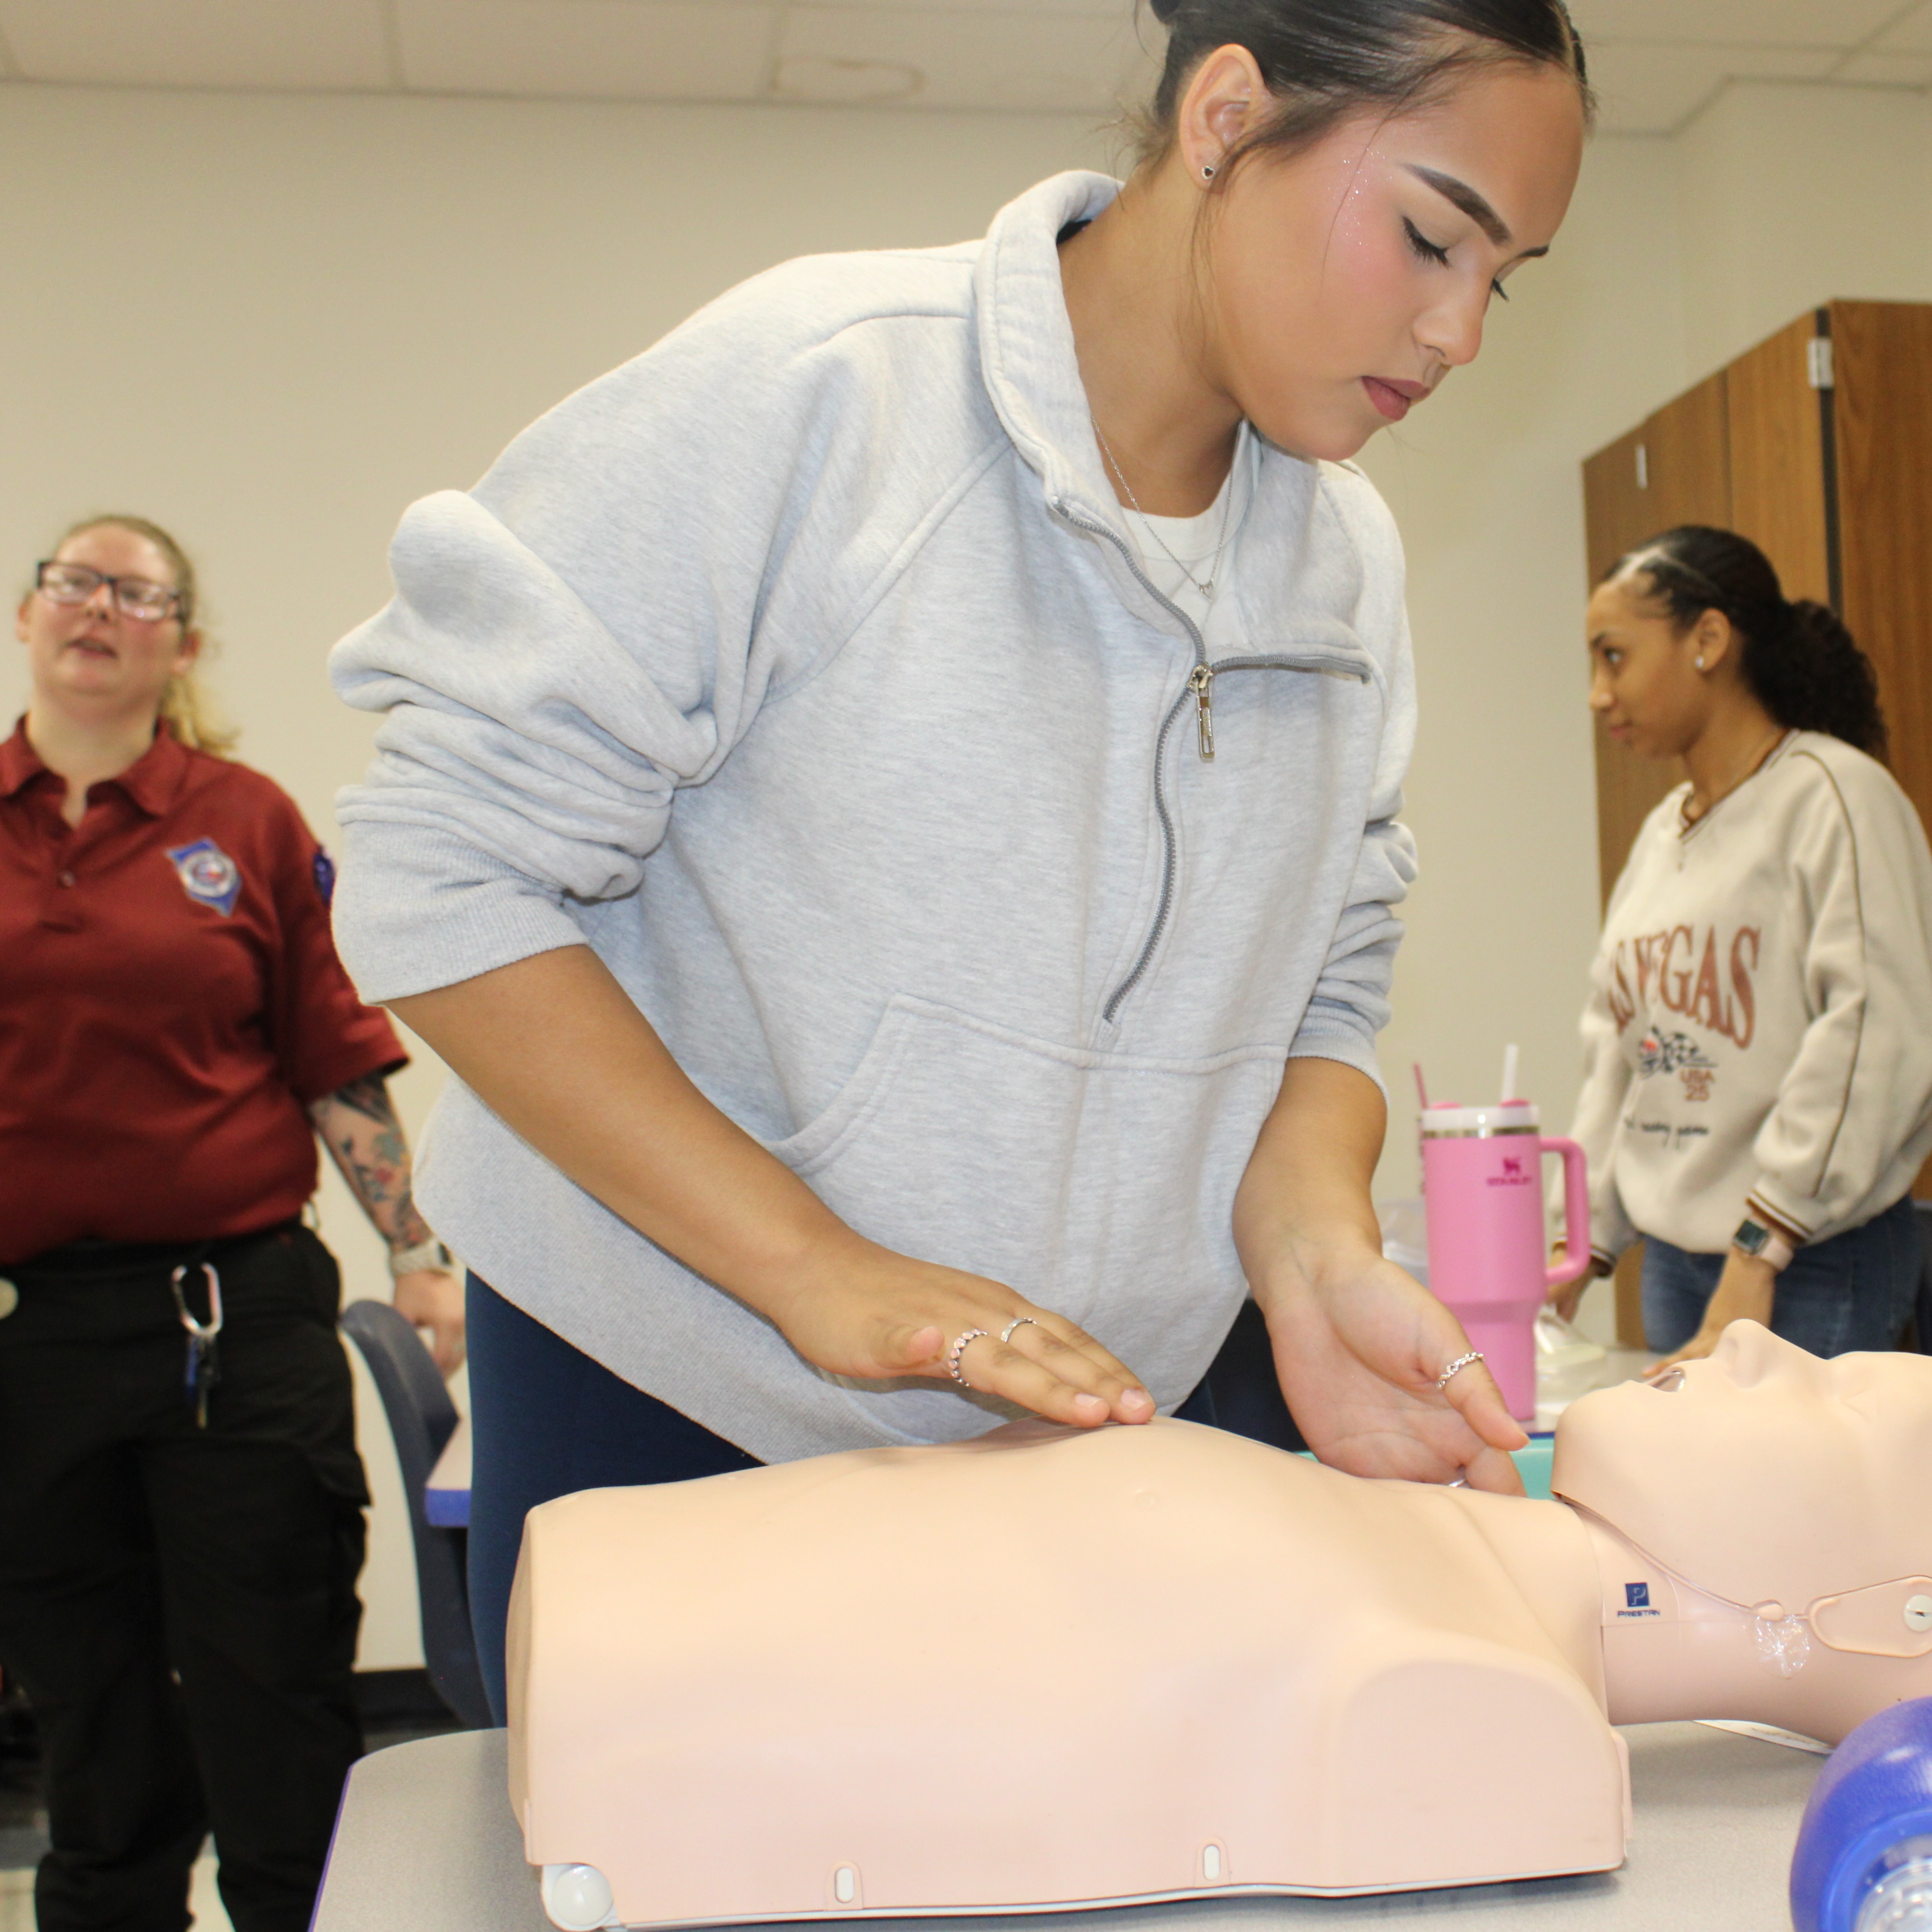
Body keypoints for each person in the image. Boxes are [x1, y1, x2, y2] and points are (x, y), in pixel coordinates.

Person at [328, 0, 1590, 1716]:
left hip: (1095, 1427)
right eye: (1432, 233)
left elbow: (1330, 966)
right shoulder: (822, 396)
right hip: (684, 1391)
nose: (1457, 329)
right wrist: (812, 1266)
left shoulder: (1341, 559)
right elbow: (438, 870)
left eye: (1502, 275)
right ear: (1227, 116)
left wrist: (1306, 1251)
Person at [508, 1323, 1932, 1921]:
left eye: (1826, 1397)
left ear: (1889, 1617)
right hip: (617, 1612)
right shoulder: (1446, 1578)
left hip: (620, 1691)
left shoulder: (1481, 1696)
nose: (1750, 1341)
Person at [0, 515, 465, 1932]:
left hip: (233, 1321)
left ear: (183, 647)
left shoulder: (243, 820)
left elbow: (334, 1056)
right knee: (91, 1713)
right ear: (29, 615)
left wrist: (418, 1253)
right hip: (37, 1342)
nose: (100, 608)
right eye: (74, 581)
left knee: (276, 1703)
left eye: (138, 594)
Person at [1558, 525, 1932, 1370]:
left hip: (1806, 1257)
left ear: (1708, 640)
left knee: (1788, 1503)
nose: (1597, 693)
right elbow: (1620, 1051)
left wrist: (1760, 1246)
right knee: (1695, 1499)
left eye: (1614, 657)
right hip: (1678, 1262)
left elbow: (1874, 1038)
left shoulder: (1835, 796)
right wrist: (1577, 1241)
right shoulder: (1663, 832)